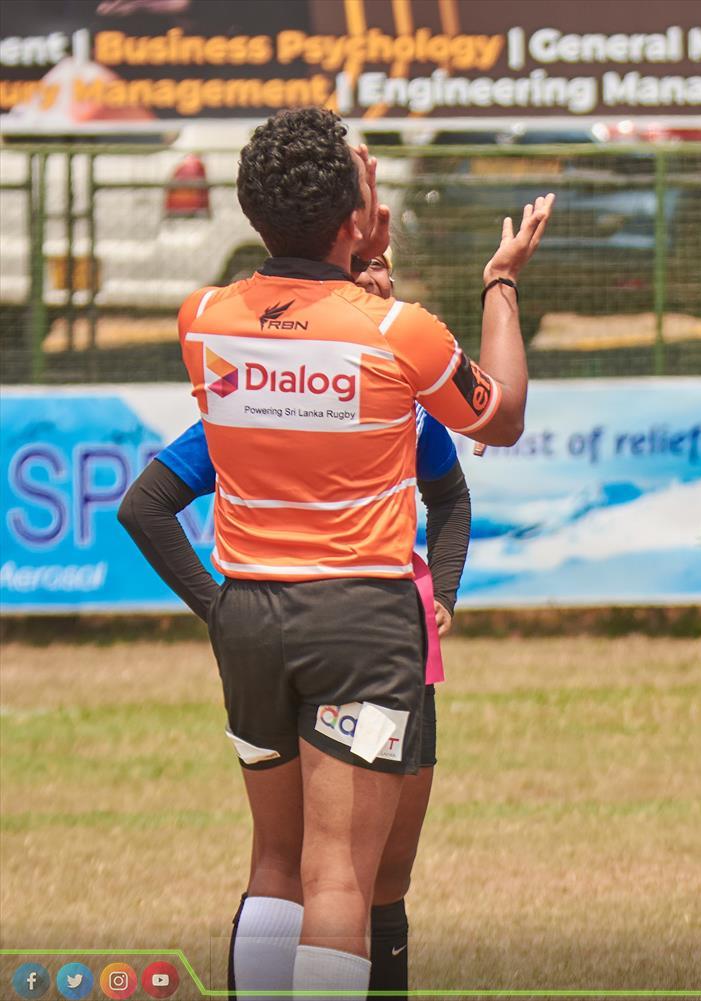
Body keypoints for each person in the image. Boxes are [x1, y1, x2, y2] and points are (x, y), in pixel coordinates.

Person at [155, 106, 549, 999]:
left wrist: (347, 219)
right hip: (360, 621)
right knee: (340, 875)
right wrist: (499, 283)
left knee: (274, 865)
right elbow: (504, 413)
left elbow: (291, 326)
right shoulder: (395, 332)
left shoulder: (203, 317)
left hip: (250, 614)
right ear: (351, 220)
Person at [118, 250, 465, 1000]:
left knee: (335, 867)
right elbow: (144, 504)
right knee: (337, 869)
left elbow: (453, 497)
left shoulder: (391, 396)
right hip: (361, 632)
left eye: (382, 281)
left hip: (339, 635)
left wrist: (445, 589)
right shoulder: (266, 401)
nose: (371, 292)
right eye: (359, 278)